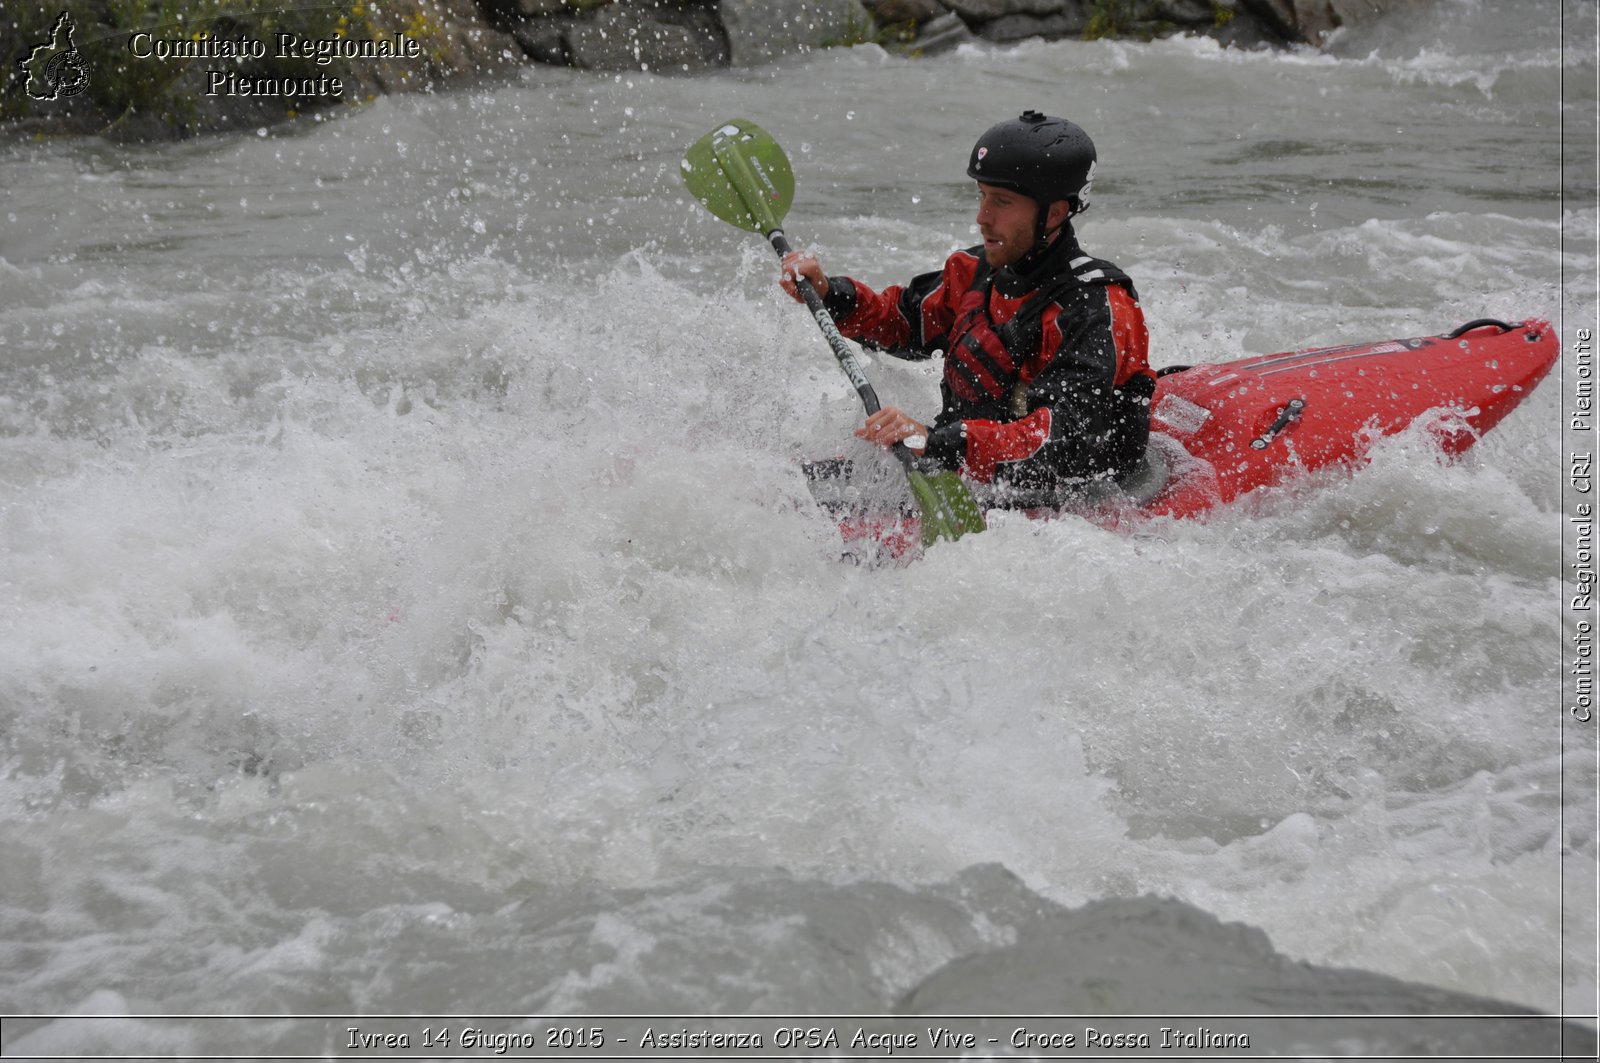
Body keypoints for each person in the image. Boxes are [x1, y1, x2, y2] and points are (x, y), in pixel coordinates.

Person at [781, 110, 1155, 506]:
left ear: (1056, 212)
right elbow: (903, 323)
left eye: (1002, 202)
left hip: (1063, 492)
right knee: (784, 491)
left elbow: (1069, 438)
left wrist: (938, 442)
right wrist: (829, 293)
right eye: (982, 196)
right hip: (966, 468)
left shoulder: (1097, 306)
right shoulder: (974, 272)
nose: (982, 217)